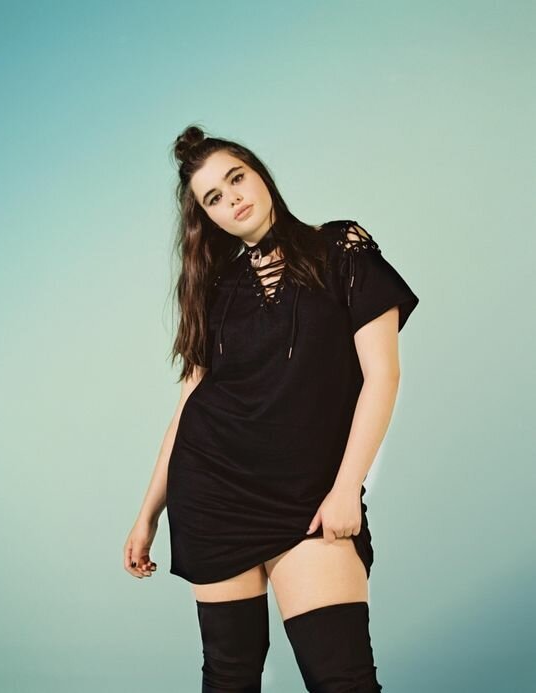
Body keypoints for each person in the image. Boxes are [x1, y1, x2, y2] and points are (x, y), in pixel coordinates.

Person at [124, 124, 420, 692]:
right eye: (214, 197)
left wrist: (345, 488)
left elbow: (383, 375)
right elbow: (188, 406)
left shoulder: (341, 248)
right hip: (212, 492)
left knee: (343, 680)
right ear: (207, 218)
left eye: (236, 178)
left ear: (259, 173)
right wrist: (148, 513)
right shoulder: (214, 290)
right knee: (230, 677)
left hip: (308, 496)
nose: (232, 198)